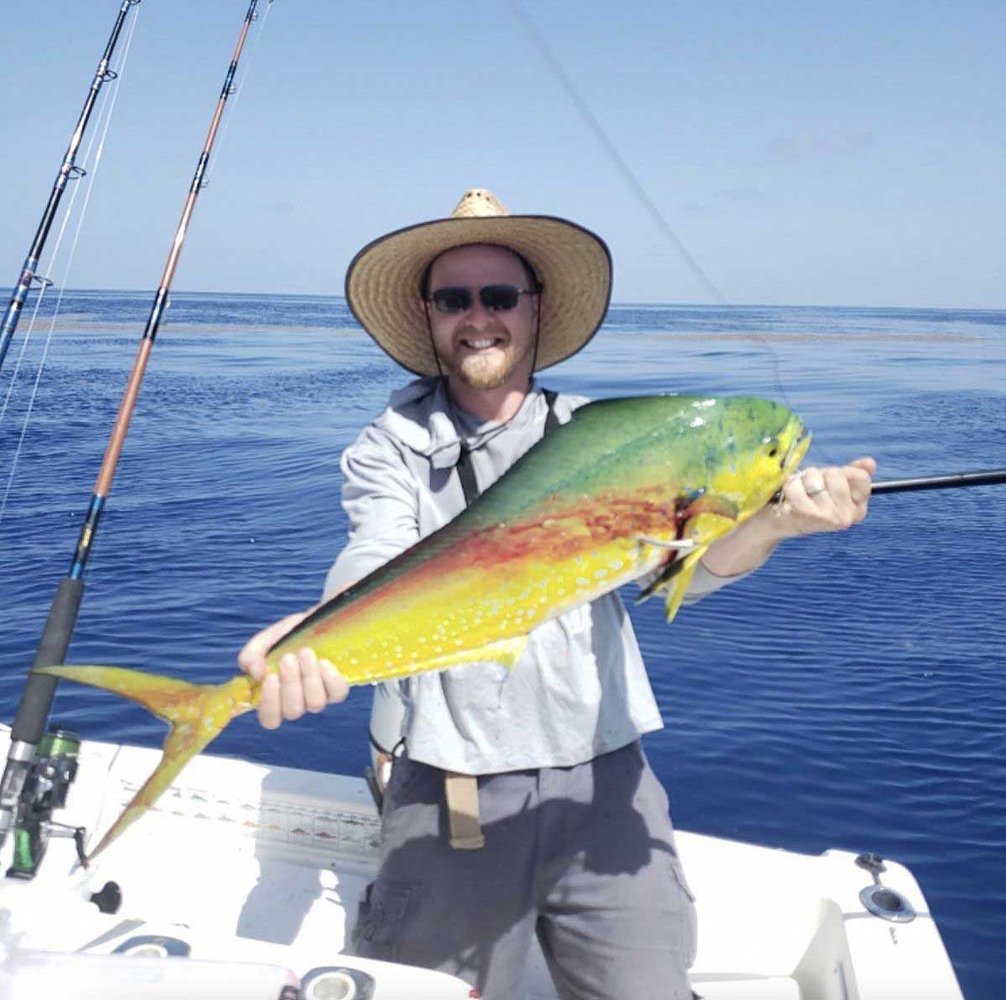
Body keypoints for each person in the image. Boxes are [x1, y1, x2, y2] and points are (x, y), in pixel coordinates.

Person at [238, 188, 875, 1000]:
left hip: (608, 782)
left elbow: (686, 569)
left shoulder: (607, 439)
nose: (478, 316)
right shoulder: (389, 447)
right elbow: (375, 551)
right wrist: (322, 631)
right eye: (453, 299)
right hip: (452, 794)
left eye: (499, 296)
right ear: (429, 316)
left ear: (534, 309)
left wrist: (777, 525)